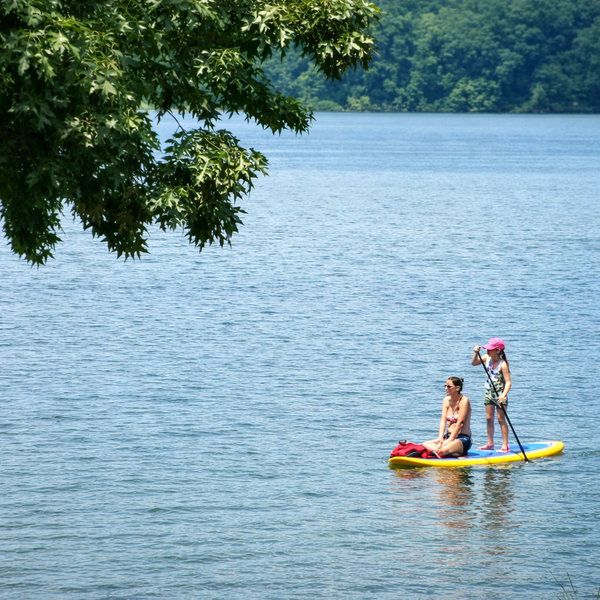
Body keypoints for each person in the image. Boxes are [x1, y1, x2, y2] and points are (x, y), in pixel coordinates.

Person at [472, 338, 512, 452]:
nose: (488, 351)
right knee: (489, 418)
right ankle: (490, 443)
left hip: (500, 394)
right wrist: (476, 353)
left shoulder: (503, 364)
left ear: (498, 350)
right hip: (489, 393)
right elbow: (474, 363)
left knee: (501, 419)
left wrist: (503, 395)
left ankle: (505, 445)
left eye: (490, 349)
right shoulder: (486, 358)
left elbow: (508, 382)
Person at [423, 377, 472, 458]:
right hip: (448, 436)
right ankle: (448, 452)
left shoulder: (464, 400)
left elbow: (460, 423)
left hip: (462, 438)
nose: (446, 388)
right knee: (425, 444)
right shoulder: (446, 400)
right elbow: (443, 420)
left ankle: (445, 451)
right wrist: (440, 438)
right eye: (445, 386)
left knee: (441, 451)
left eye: (449, 386)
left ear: (457, 388)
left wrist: (450, 440)